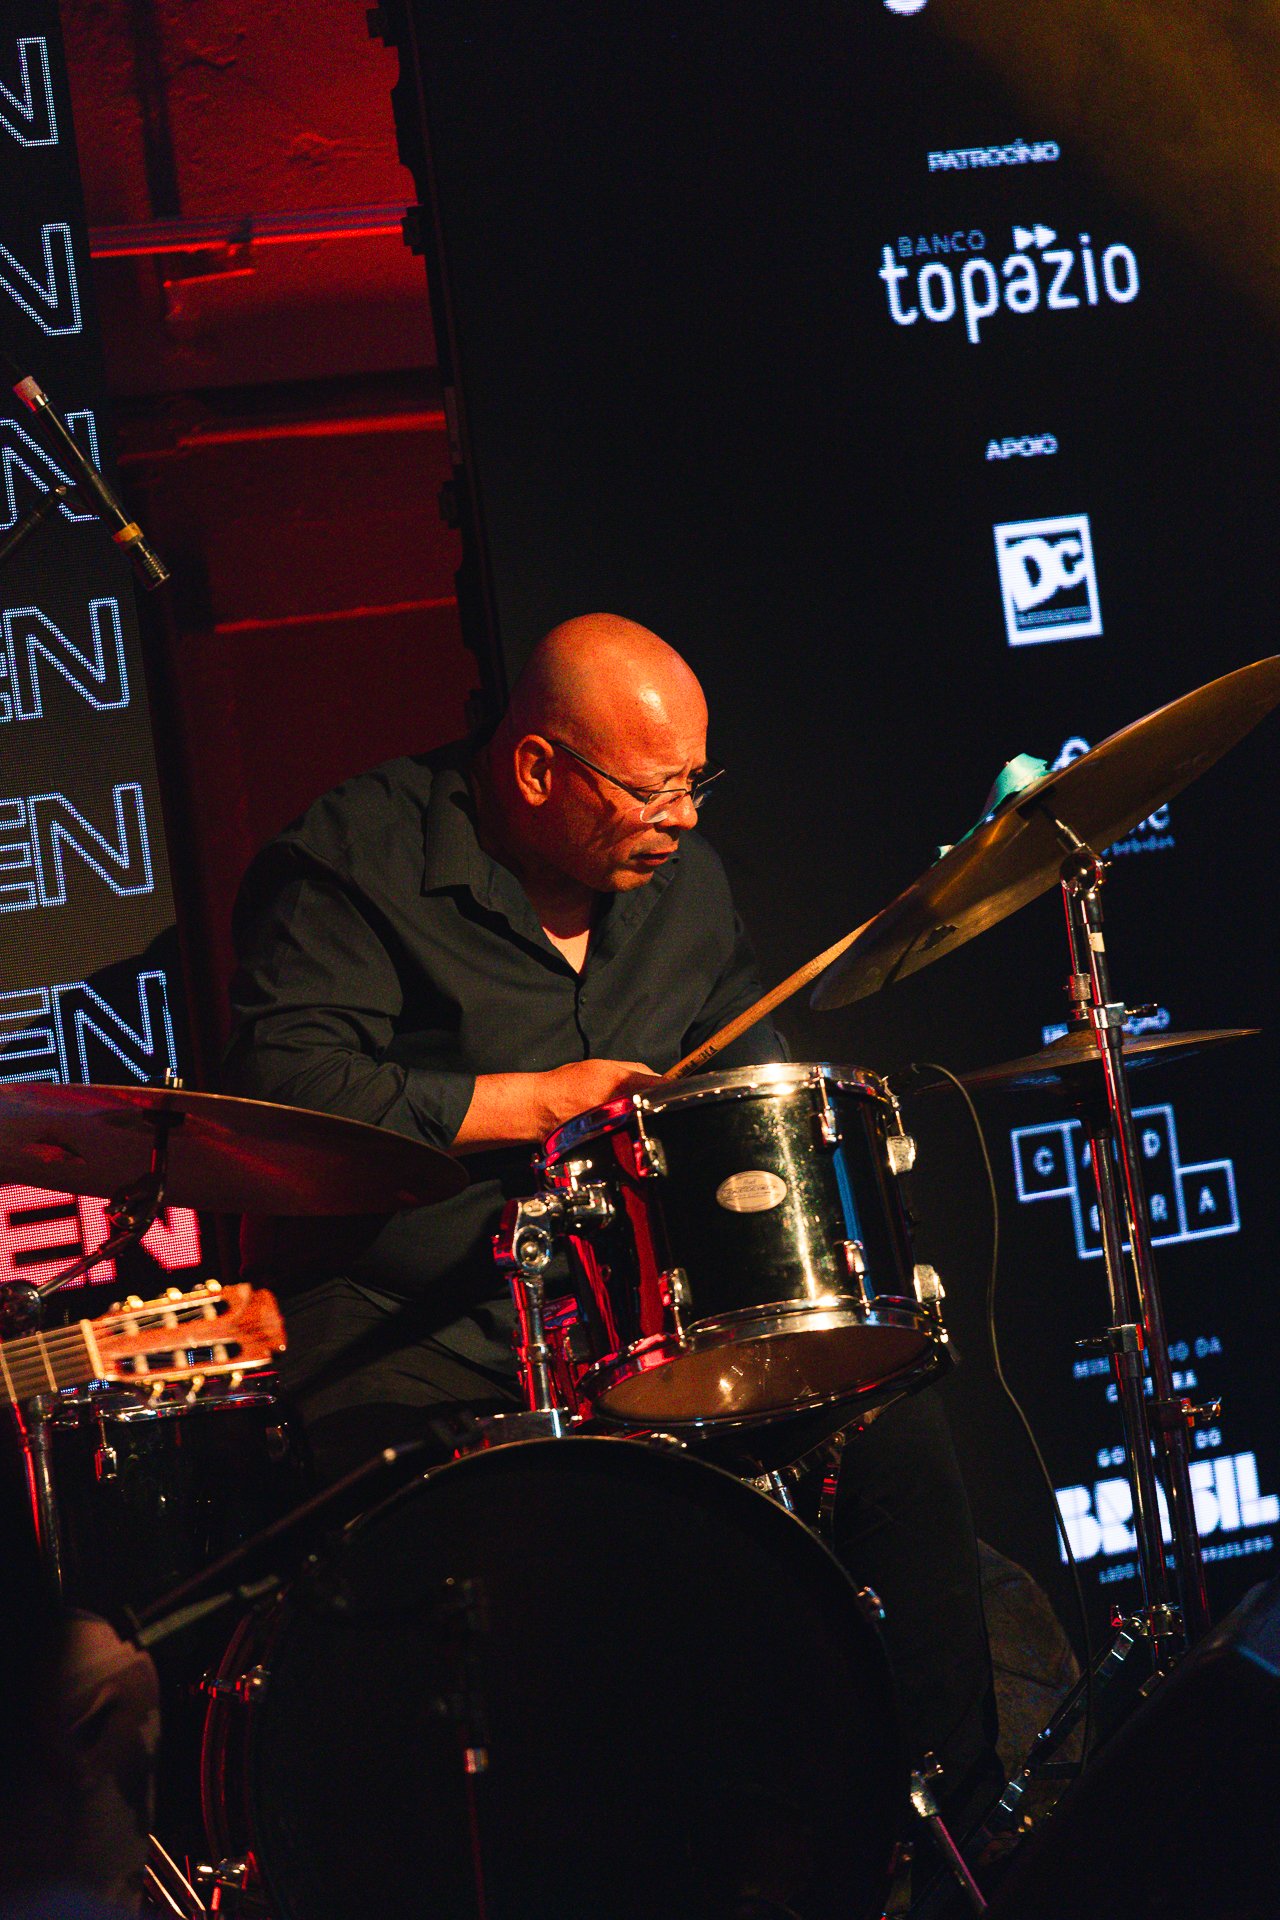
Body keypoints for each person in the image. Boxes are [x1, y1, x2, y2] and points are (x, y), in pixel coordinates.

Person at [224, 612, 999, 1824]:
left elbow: (740, 1067)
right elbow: (286, 1092)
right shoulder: (346, 862)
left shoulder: (680, 884)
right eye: (650, 791)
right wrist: (532, 1101)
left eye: (695, 784)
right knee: (532, 1556)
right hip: (412, 1328)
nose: (681, 819)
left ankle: (950, 1833)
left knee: (891, 1426)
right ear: (537, 767)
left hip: (629, 1316)